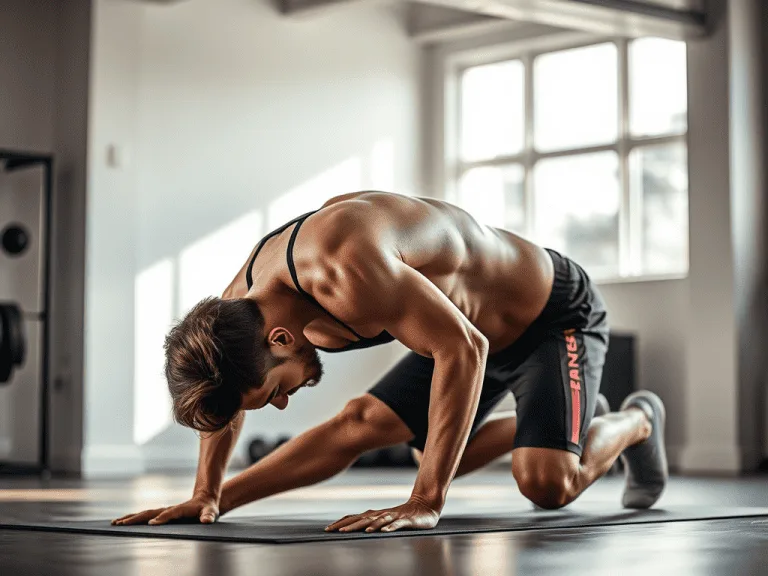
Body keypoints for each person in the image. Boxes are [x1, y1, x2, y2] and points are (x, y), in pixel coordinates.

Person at [113, 191, 667, 533]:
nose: (281, 403)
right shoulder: (240, 311)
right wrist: (209, 495)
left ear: (280, 339)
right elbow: (229, 395)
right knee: (384, 431)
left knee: (546, 484)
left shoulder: (346, 267)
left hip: (549, 317)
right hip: (461, 331)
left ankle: (636, 421)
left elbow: (464, 349)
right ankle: (563, 423)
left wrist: (425, 500)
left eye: (273, 391)